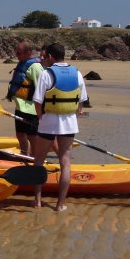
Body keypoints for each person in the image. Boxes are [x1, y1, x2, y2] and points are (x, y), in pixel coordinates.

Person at [33, 43, 88, 212]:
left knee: (39, 162)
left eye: (45, 57)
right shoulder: (77, 73)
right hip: (69, 124)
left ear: (50, 56)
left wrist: (41, 116)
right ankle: (60, 204)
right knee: (65, 162)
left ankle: (37, 201)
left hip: (48, 123)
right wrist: (73, 114)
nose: (44, 60)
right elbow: (81, 103)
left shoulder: (46, 74)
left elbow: (37, 101)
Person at [6, 40, 44, 156]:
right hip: (20, 107)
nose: (17, 55)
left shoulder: (36, 67)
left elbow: (41, 88)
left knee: (32, 137)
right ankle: (24, 157)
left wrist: (41, 110)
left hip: (32, 109)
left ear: (28, 53)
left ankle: (35, 160)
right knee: (20, 135)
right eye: (16, 53)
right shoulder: (21, 63)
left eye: (19, 53)